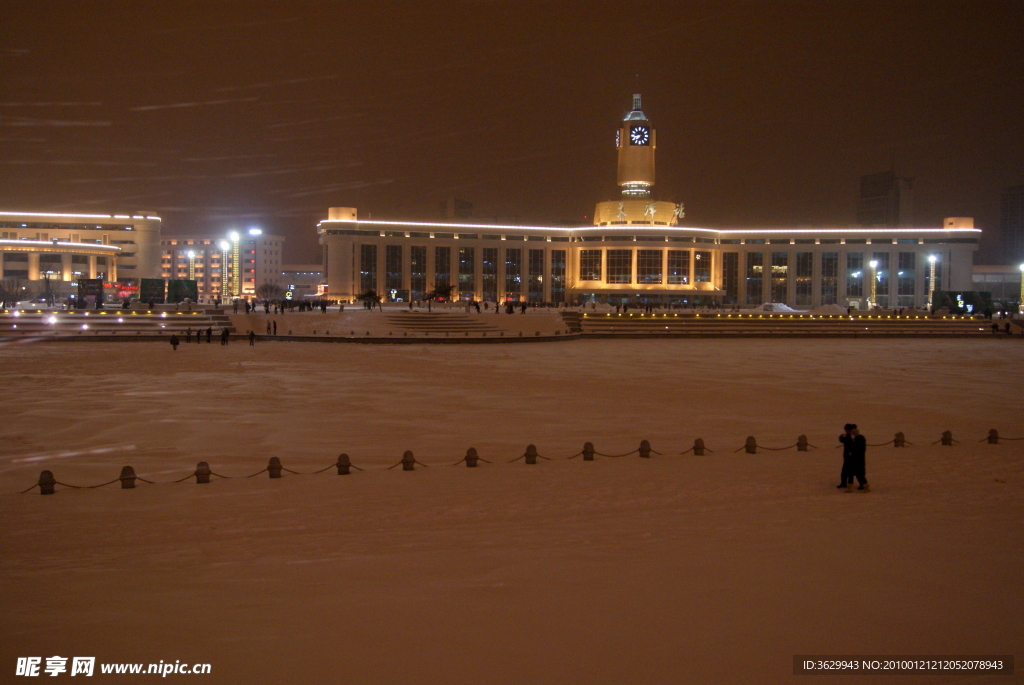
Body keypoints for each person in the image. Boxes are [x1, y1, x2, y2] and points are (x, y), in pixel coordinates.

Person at [838, 423, 869, 492]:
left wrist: (852, 453)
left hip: (857, 459)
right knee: (849, 473)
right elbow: (842, 440)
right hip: (850, 458)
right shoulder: (850, 438)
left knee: (859, 474)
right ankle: (849, 487)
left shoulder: (859, 438)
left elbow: (859, 448)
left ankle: (864, 486)